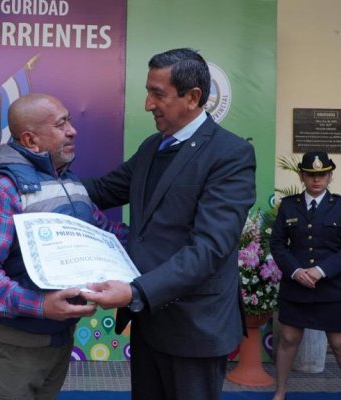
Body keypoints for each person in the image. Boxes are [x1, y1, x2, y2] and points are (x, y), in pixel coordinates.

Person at [80, 48, 256, 400]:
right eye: (148, 92)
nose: (148, 104)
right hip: (150, 321)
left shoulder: (229, 154)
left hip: (195, 326)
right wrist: (32, 179)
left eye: (157, 94)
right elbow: (101, 190)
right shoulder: (152, 147)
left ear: (193, 97)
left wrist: (135, 292)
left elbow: (209, 248)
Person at [0, 93, 128, 400]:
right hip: (10, 346)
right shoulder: (2, 186)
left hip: (56, 339)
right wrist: (40, 306)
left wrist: (162, 239)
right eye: (61, 124)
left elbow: (107, 234)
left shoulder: (70, 183)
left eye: (69, 121)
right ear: (31, 141)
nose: (72, 131)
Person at [269, 151, 341, 400]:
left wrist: (321, 271)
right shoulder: (289, 205)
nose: (316, 180)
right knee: (288, 339)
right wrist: (296, 271)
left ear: (330, 176)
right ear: (302, 175)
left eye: (322, 174)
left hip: (333, 288)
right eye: (311, 174)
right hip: (297, 284)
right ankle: (280, 392)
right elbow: (277, 243)